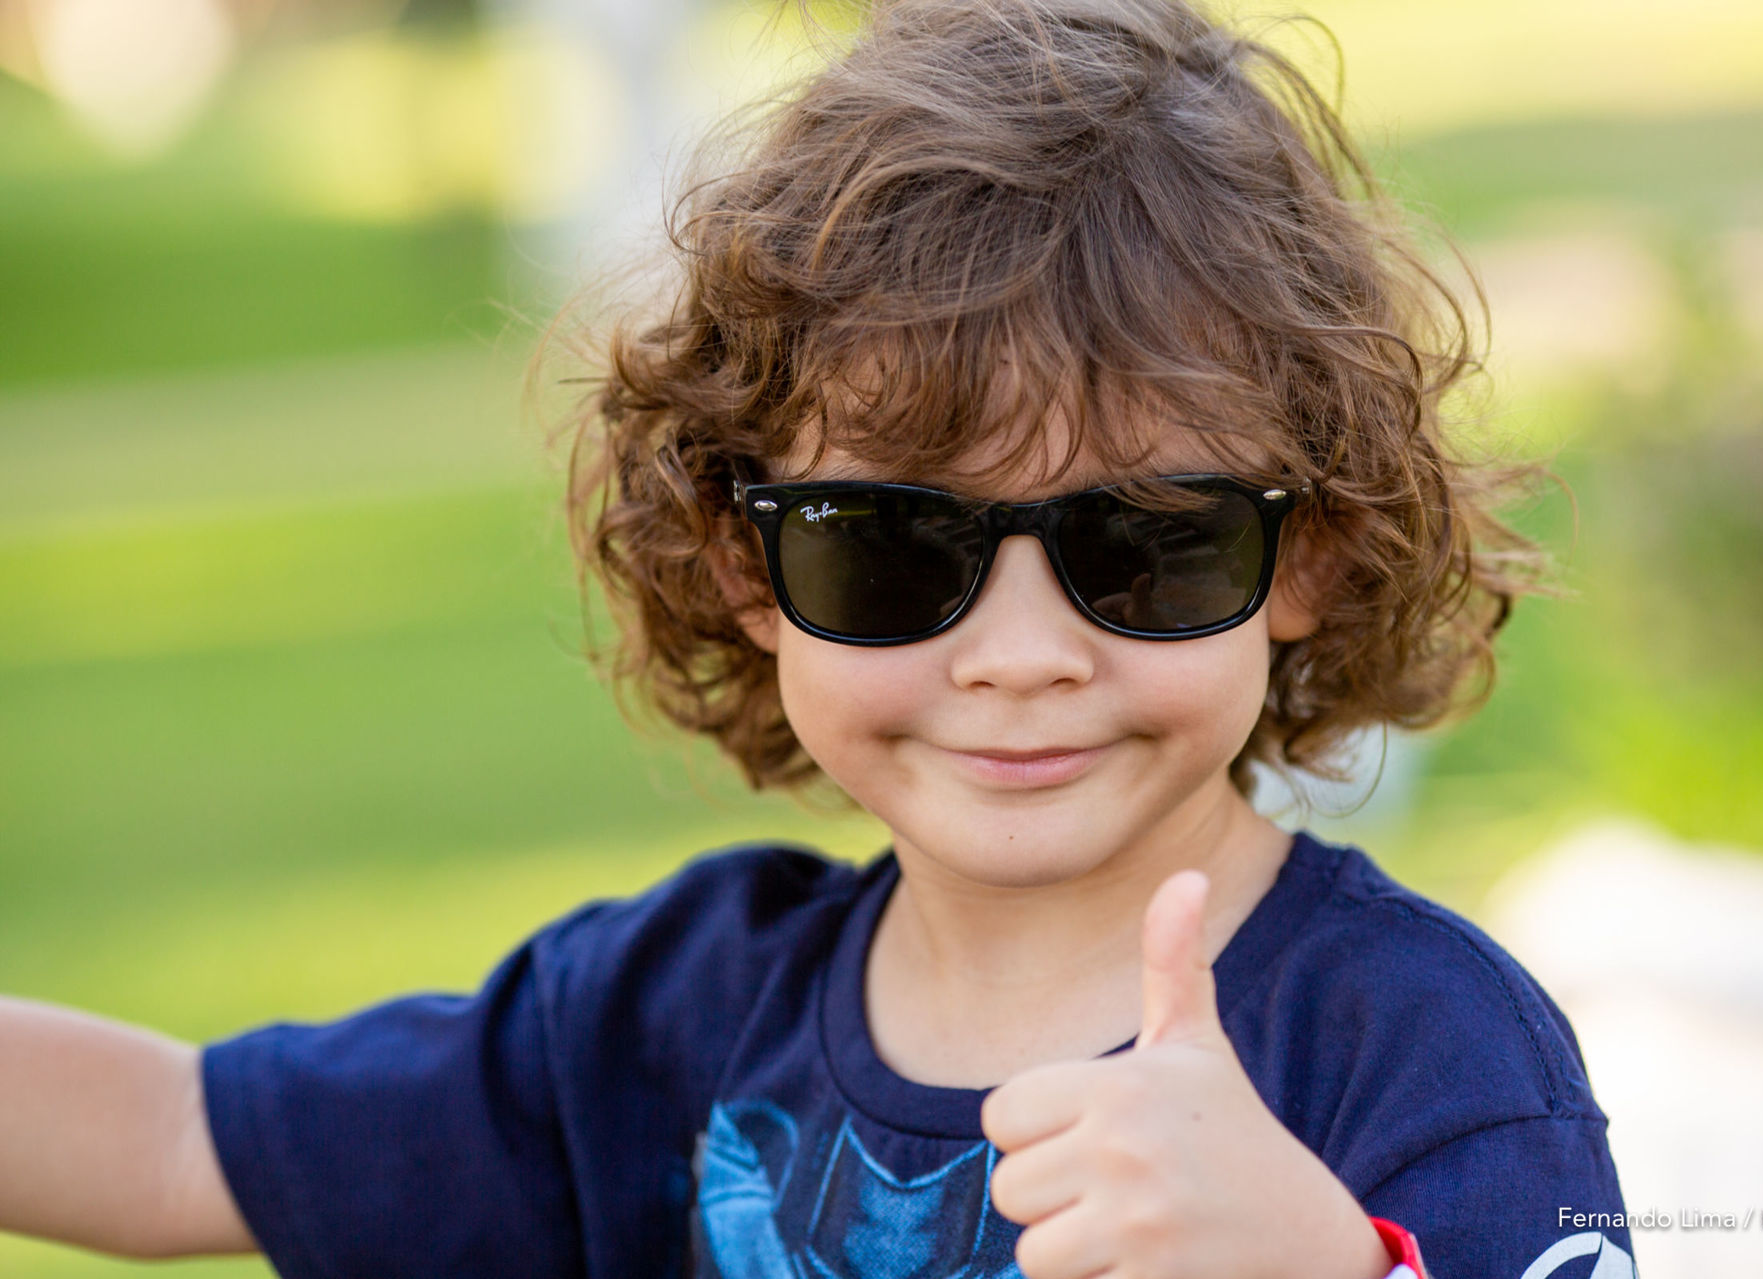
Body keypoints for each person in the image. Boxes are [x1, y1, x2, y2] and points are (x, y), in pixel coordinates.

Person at [0, 1, 1640, 1276]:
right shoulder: (664, 1014)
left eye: (1144, 546)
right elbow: (164, 1144)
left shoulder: (1417, 1044)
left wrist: (1331, 1269)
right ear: (740, 558)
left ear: (1311, 556)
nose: (1020, 652)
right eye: (890, 548)